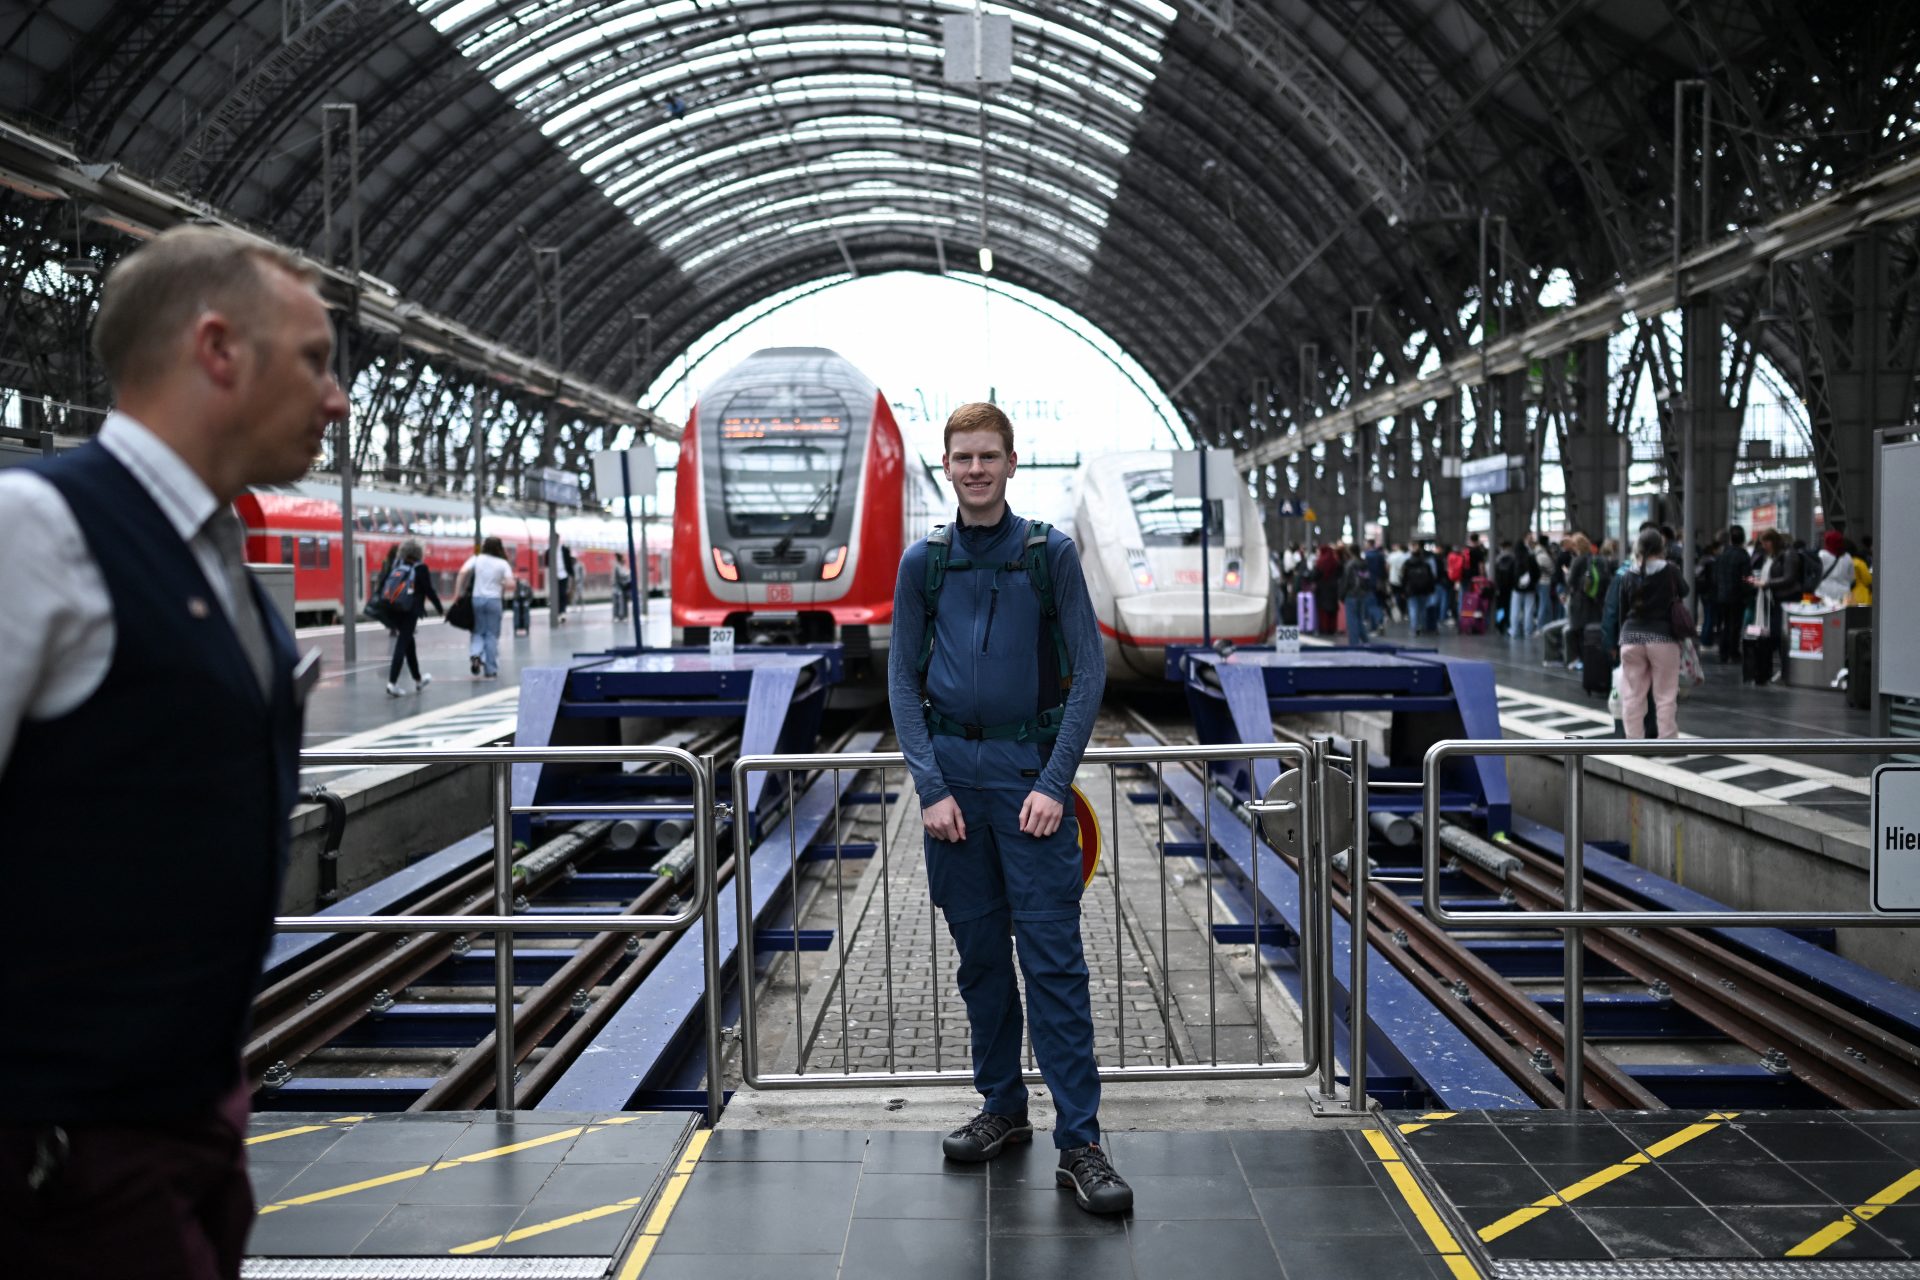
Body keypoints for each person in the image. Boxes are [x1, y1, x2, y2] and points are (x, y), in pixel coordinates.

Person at [0, 226, 346, 1277]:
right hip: (62, 1150)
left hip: (186, 1122)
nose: (336, 400)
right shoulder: (37, 528)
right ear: (217, 349)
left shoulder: (227, 565)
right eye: (316, 360)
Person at [887, 402, 1129, 1215]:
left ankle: (1082, 1142)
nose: (977, 469)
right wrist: (930, 787)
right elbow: (901, 685)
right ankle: (1001, 1109)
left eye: (990, 456)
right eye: (963, 458)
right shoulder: (923, 564)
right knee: (983, 961)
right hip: (953, 786)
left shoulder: (1048, 555)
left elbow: (1089, 675)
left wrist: (1054, 784)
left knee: (1055, 964)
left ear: (1012, 464)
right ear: (946, 467)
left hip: (1029, 777)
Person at [1602, 527, 1690, 738]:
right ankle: (1667, 741)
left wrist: (1617, 641)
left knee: (1632, 693)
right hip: (1662, 637)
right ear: (1662, 547)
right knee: (1665, 694)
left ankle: (1634, 740)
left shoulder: (1627, 574)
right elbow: (1685, 590)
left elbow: (1622, 611)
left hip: (1631, 638)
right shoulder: (1670, 570)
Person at [381, 539, 445, 696]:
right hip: (410, 610)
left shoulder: (398, 565)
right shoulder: (421, 568)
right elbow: (429, 590)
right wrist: (440, 609)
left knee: (409, 645)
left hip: (394, 609)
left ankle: (418, 680)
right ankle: (392, 683)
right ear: (419, 553)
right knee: (402, 644)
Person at [456, 536, 516, 678]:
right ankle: (490, 669)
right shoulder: (502, 563)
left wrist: (457, 593)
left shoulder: (477, 559)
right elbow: (511, 585)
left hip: (477, 600)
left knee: (478, 631)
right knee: (491, 635)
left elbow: (462, 572)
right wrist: (500, 583)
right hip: (494, 601)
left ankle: (476, 654)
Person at [1339, 544, 1372, 645]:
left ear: (1350, 552)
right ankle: (1366, 641)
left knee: (1352, 620)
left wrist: (1342, 595)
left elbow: (1346, 581)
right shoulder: (1364, 563)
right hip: (1362, 594)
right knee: (1359, 619)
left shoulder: (1350, 564)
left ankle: (1354, 644)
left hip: (1351, 594)